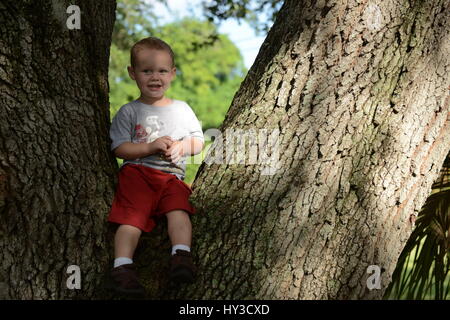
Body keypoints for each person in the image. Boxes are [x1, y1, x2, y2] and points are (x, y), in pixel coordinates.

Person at [107, 37, 204, 296]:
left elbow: (198, 140)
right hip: (138, 175)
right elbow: (119, 148)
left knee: (179, 211)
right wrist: (150, 147)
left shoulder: (182, 109)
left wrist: (182, 148)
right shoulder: (129, 111)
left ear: (172, 74)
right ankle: (122, 266)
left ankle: (181, 255)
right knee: (131, 219)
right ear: (132, 73)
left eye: (162, 71)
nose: (154, 77)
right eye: (146, 70)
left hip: (171, 177)